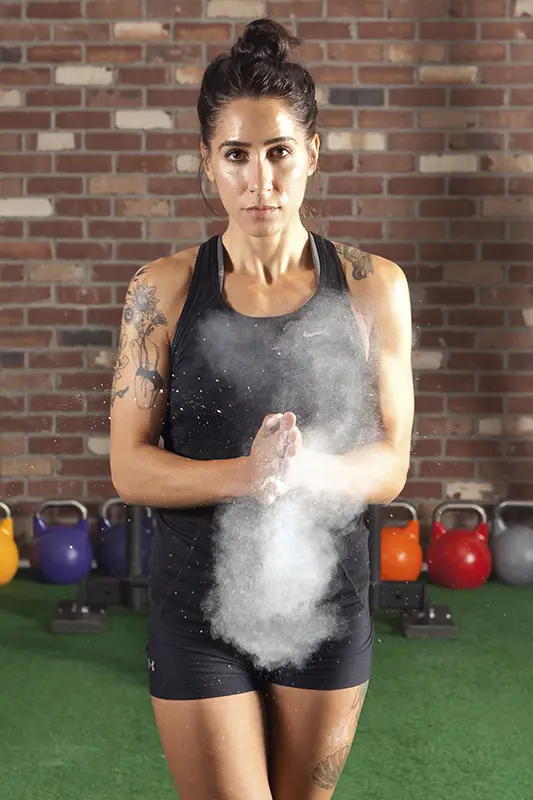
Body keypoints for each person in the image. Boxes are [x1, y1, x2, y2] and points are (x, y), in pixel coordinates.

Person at [109, 17, 414, 800]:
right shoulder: (164, 290)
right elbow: (130, 466)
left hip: (326, 607)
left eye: (278, 152)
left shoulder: (372, 287)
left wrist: (306, 470)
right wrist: (250, 475)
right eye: (236, 155)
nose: (260, 180)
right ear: (206, 163)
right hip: (194, 611)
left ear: (312, 152)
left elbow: (388, 464)